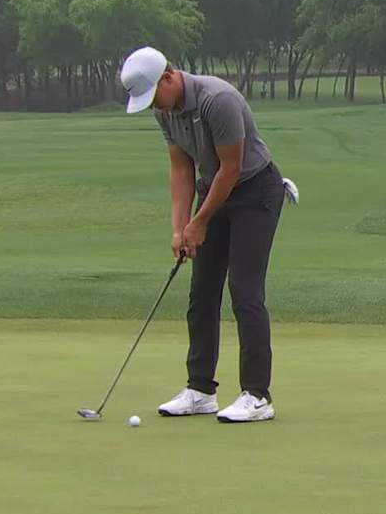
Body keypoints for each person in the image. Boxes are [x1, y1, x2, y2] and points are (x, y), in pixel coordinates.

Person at [120, 46, 293, 423]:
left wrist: (199, 223)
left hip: (254, 191)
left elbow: (230, 169)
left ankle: (257, 396)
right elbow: (181, 169)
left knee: (245, 292)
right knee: (202, 293)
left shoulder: (219, 100)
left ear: (169, 77)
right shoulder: (166, 111)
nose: (154, 106)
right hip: (212, 191)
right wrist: (180, 228)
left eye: (153, 97)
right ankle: (200, 389)